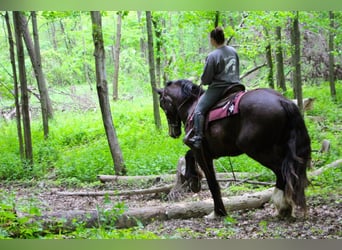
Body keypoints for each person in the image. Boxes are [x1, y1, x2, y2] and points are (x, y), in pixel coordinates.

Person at [187, 26, 241, 149]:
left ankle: (198, 138)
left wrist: (203, 80)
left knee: (199, 109)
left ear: (213, 40)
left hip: (220, 88)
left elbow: (206, 80)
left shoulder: (213, 55)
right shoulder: (233, 51)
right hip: (236, 86)